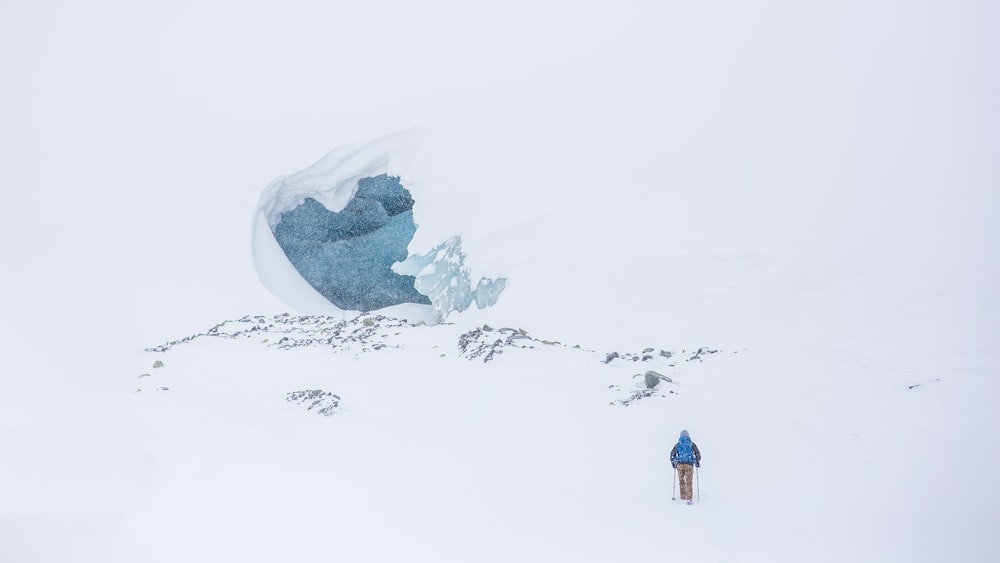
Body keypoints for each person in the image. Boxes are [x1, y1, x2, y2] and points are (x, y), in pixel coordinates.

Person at [670, 430, 701, 504]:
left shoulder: (678, 444)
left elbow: (672, 454)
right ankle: (689, 499)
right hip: (689, 465)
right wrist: (697, 461)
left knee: (681, 481)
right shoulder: (691, 444)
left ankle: (683, 496)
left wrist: (673, 462)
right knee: (689, 482)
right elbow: (698, 454)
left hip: (680, 465)